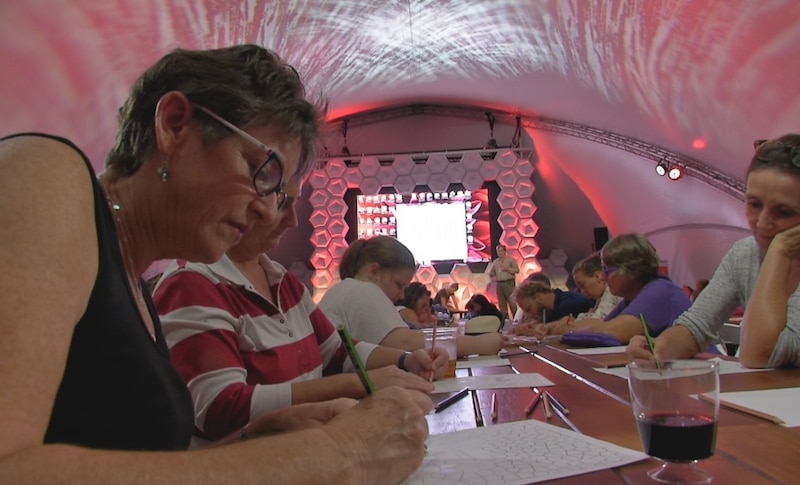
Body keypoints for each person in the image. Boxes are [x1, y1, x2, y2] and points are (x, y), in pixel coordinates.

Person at [0, 45, 430, 485]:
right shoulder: (48, 176)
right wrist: (338, 453)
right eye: (262, 170)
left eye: (278, 193)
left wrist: (256, 440)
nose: (268, 211)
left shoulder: (137, 292)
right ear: (174, 126)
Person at [153, 177, 446, 444]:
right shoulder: (192, 283)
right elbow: (221, 410)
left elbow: (337, 353)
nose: (293, 220)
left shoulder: (283, 280)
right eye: (282, 202)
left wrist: (406, 362)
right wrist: (361, 384)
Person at [628, 116, 800, 374]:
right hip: (783, 407)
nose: (762, 223)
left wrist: (781, 249)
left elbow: (764, 354)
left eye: (783, 212)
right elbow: (695, 327)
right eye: (753, 204)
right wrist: (658, 348)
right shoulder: (745, 253)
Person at [319, 236, 505, 357]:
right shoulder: (362, 290)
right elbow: (405, 342)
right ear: (373, 271)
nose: (401, 295)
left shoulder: (345, 290)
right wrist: (480, 343)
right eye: (399, 285)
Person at [538, 233, 692, 343]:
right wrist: (549, 329)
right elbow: (603, 324)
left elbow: (615, 332)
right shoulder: (634, 296)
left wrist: (564, 330)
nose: (603, 277)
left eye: (607, 271)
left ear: (631, 270)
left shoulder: (659, 291)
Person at [510, 281, 595, 336]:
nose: (530, 314)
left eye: (529, 309)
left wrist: (533, 330)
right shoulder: (550, 309)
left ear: (538, 297)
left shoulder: (568, 303)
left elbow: (562, 328)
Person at [571, 253, 623, 320]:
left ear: (598, 276)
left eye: (582, 285)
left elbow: (597, 321)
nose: (582, 291)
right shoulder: (602, 296)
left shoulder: (611, 293)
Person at [487, 244, 519, 319]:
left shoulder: (510, 260)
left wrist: (508, 269)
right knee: (502, 304)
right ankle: (505, 321)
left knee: (512, 303)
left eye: (501, 251)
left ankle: (516, 320)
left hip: (509, 283)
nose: (499, 253)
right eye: (498, 251)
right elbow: (491, 273)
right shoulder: (495, 262)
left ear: (505, 251)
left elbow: (517, 270)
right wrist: (494, 278)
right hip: (499, 284)